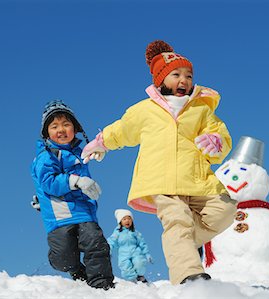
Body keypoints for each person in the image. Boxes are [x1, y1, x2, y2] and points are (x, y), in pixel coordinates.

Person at [81, 40, 237, 285]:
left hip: (197, 179)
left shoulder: (201, 109)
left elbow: (220, 134)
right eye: (176, 74)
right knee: (177, 220)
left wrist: (216, 141)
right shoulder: (145, 110)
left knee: (225, 210)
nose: (184, 80)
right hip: (161, 181)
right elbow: (123, 130)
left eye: (189, 75)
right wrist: (102, 142)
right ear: (161, 79)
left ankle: (179, 242)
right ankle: (188, 275)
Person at [30, 100, 115, 290]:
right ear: (47, 133)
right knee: (64, 259)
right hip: (60, 216)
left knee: (96, 243)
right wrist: (76, 181)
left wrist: (101, 147)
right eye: (54, 126)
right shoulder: (47, 155)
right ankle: (77, 270)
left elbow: (96, 147)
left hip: (84, 212)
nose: (61, 129)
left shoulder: (79, 154)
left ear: (75, 129)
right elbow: (48, 182)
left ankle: (102, 285)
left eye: (66, 124)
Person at [107, 209, 153, 283]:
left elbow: (142, 243)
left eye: (129, 218)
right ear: (120, 222)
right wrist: (108, 250)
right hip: (123, 254)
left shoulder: (135, 232)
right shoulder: (117, 233)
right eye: (124, 219)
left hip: (136, 252)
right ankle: (133, 281)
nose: (127, 221)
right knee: (126, 268)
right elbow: (111, 241)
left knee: (139, 263)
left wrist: (147, 254)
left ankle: (141, 277)